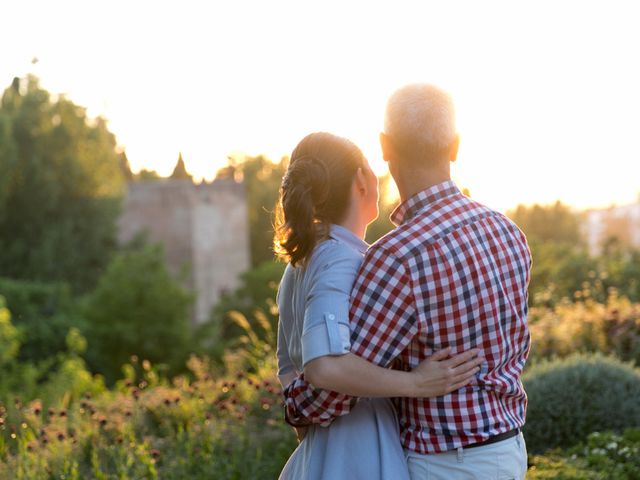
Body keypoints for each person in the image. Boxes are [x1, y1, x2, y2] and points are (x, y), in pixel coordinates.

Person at [284, 85, 532, 480]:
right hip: (508, 451)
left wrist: (293, 405)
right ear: (455, 146)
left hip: (444, 464)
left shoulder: (397, 257)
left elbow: (336, 387)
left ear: (384, 147)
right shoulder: (507, 232)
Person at [274, 131, 485, 480]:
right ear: (362, 180)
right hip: (358, 449)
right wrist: (417, 383)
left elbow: (287, 369)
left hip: (323, 446)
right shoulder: (340, 257)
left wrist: (312, 426)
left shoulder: (301, 262)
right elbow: (323, 367)